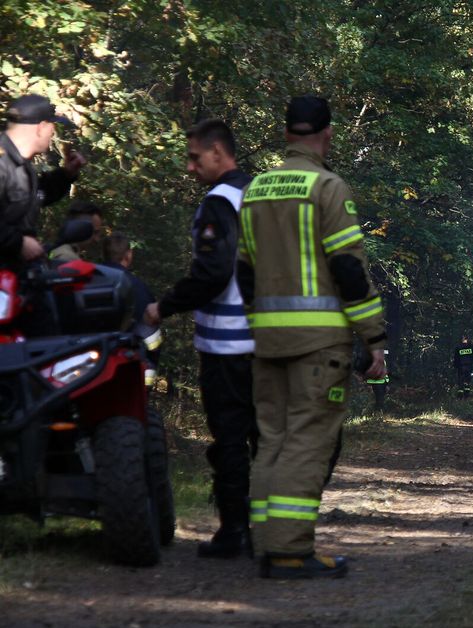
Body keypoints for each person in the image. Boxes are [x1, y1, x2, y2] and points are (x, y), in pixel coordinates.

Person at [236, 95, 386, 580]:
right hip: (318, 345)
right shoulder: (326, 187)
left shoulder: (256, 190)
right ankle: (289, 550)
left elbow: (242, 273)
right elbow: (348, 269)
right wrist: (374, 338)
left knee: (272, 440)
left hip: (266, 342)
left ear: (285, 134)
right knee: (307, 441)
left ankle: (265, 542)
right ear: (327, 133)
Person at [144, 118, 257, 559]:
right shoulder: (261, 194)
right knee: (266, 438)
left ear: (217, 152)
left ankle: (234, 531)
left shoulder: (219, 201)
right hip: (268, 339)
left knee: (229, 437)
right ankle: (273, 529)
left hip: (226, 344)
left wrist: (163, 306)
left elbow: (212, 274)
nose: (190, 168)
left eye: (194, 158)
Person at [0, 94, 87, 268]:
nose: (53, 132)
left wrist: (66, 174)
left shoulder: (22, 164)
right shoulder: (2, 163)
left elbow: (35, 195)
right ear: (40, 128)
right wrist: (19, 242)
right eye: (52, 125)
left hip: (14, 276)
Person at [102, 231, 162, 381]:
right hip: (126, 372)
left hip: (88, 373)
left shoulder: (87, 281)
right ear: (128, 255)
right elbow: (151, 337)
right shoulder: (138, 289)